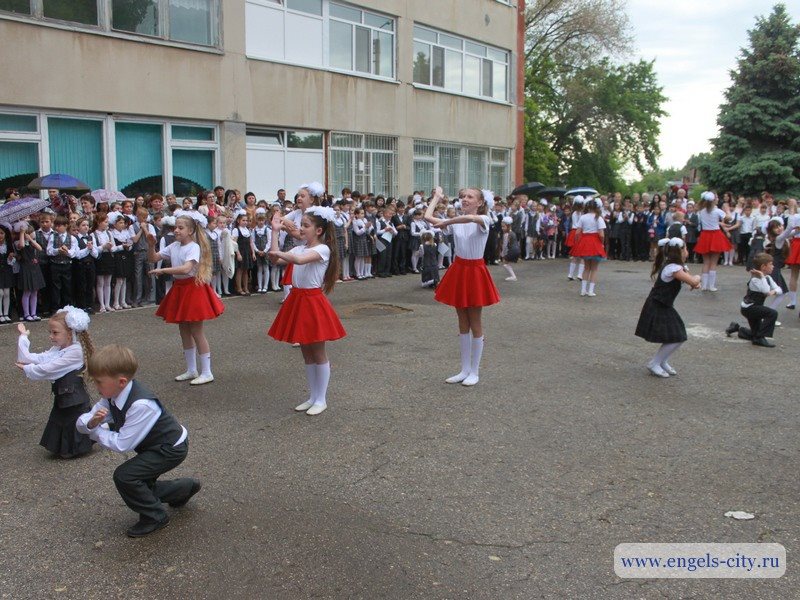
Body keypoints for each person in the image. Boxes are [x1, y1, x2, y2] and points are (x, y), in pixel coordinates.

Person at [76, 344, 201, 537]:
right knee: (142, 484)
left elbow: (122, 444)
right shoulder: (112, 394)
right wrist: (92, 423)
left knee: (126, 476)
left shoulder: (141, 405)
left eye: (99, 382)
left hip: (169, 448)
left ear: (121, 381)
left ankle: (155, 516)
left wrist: (94, 432)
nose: (95, 386)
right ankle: (183, 489)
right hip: (154, 446)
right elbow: (83, 421)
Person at [267, 206, 346, 416]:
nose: (301, 229)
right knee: (306, 352)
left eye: (306, 225)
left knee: (318, 352)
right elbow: (275, 260)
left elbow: (299, 260)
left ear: (318, 230)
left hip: (312, 302)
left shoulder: (322, 250)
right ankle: (312, 396)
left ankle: (321, 399)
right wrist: (275, 231)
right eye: (301, 224)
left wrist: (280, 252)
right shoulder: (298, 249)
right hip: (297, 300)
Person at [424, 187, 500, 387]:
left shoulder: (485, 219)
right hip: (459, 269)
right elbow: (427, 217)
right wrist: (436, 198)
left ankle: (474, 371)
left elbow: (470, 220)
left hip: (475, 272)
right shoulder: (457, 221)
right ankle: (464, 369)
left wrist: (447, 221)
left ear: (480, 202)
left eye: (470, 197)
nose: (465, 199)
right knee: (462, 322)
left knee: (475, 321)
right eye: (462, 197)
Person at [147, 212, 224, 385]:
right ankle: (191, 369)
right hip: (180, 289)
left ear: (190, 231)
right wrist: (151, 246)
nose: (176, 230)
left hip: (193, 289)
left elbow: (185, 268)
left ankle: (207, 371)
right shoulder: (174, 246)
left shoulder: (194, 247)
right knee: (183, 331)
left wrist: (163, 271)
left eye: (180, 228)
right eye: (175, 227)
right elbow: (153, 258)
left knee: (196, 331)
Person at [15, 306, 94, 457]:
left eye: (55, 333)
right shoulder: (58, 349)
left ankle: (74, 448)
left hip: (73, 398)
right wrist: (24, 338)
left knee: (72, 421)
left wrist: (28, 369)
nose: (51, 336)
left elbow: (48, 368)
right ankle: (66, 447)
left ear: (70, 333)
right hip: (64, 395)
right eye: (50, 332)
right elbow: (40, 358)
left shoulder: (75, 352)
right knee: (62, 418)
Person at [635, 238, 700, 377]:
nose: (687, 251)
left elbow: (690, 281)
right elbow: (693, 280)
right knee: (678, 336)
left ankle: (662, 361)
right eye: (686, 249)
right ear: (680, 251)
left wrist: (693, 282)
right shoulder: (673, 268)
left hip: (662, 304)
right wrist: (698, 278)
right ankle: (654, 363)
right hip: (658, 304)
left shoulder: (676, 266)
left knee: (676, 335)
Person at [724, 253, 780, 348]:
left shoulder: (768, 278)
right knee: (772, 313)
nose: (773, 266)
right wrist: (762, 276)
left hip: (755, 307)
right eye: (771, 264)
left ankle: (737, 328)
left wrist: (773, 291)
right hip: (749, 308)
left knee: (754, 332)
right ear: (763, 267)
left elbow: (779, 289)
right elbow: (766, 290)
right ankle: (759, 338)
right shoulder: (755, 280)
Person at [694, 191, 731, 291]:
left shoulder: (701, 211)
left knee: (706, 262)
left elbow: (709, 220)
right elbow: (729, 219)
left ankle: (704, 286)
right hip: (715, 235)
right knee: (713, 263)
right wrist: (727, 210)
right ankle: (711, 286)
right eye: (716, 197)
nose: (718, 199)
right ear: (713, 200)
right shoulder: (717, 210)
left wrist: (719, 223)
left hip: (705, 235)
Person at [571, 198, 607, 297]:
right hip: (595, 242)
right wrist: (602, 243)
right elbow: (602, 234)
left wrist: (579, 243)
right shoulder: (598, 218)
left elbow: (578, 232)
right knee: (594, 268)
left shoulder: (583, 217)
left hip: (585, 242)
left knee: (586, 268)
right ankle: (590, 291)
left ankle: (583, 290)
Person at [15, 221, 46, 321]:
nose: (34, 234)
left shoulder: (33, 242)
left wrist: (31, 240)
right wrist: (22, 233)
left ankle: (33, 313)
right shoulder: (19, 242)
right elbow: (22, 246)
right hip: (26, 268)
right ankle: (26, 313)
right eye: (31, 232)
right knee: (27, 292)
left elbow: (40, 248)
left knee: (35, 292)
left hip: (34, 267)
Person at [567, 197, 585, 280]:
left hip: (574, 232)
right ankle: (579, 274)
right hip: (579, 232)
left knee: (575, 254)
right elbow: (580, 225)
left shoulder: (574, 213)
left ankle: (571, 274)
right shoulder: (581, 214)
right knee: (582, 255)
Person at [499, 216, 520, 281]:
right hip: (517, 250)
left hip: (512, 250)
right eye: (502, 226)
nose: (502, 228)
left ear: (508, 226)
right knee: (506, 263)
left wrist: (502, 254)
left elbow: (505, 245)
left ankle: (513, 277)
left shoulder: (507, 234)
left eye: (503, 226)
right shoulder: (512, 233)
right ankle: (513, 276)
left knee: (505, 263)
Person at [0, 226, 13, 322]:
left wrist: (10, 258)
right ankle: (0, 314)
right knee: (0, 293)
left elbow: (12, 261)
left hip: (7, 270)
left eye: (1, 233)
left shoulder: (8, 245)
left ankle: (6, 313)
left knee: (7, 292)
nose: (0, 235)